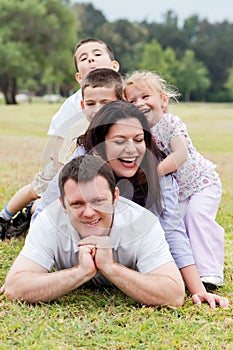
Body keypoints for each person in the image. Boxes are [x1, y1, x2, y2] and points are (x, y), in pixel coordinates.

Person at [32, 101, 229, 308]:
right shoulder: (81, 163)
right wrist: (31, 272)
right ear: (100, 144)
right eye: (119, 141)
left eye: (138, 139)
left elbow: (172, 229)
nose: (131, 150)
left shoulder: (158, 172)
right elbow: (47, 209)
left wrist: (198, 290)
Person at [3, 155, 185, 306]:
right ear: (63, 204)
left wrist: (111, 267)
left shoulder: (143, 223)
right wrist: (80, 272)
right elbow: (15, 287)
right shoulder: (49, 221)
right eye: (77, 203)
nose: (89, 213)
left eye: (98, 201)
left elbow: (173, 294)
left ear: (115, 197)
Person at [0, 38, 120, 240]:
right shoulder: (74, 106)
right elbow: (60, 146)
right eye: (84, 57)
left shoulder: (119, 93)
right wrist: (62, 176)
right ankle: (5, 217)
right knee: (38, 188)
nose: (91, 58)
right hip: (62, 157)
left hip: (92, 157)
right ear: (78, 77)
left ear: (115, 67)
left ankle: (32, 210)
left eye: (97, 54)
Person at [124, 71, 225, 289]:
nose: (139, 104)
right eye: (132, 101)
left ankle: (210, 273)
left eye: (145, 97)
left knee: (198, 218)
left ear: (163, 100)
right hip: (176, 190)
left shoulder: (171, 123)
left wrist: (153, 173)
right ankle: (182, 270)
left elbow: (180, 154)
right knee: (173, 226)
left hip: (201, 184)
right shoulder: (138, 131)